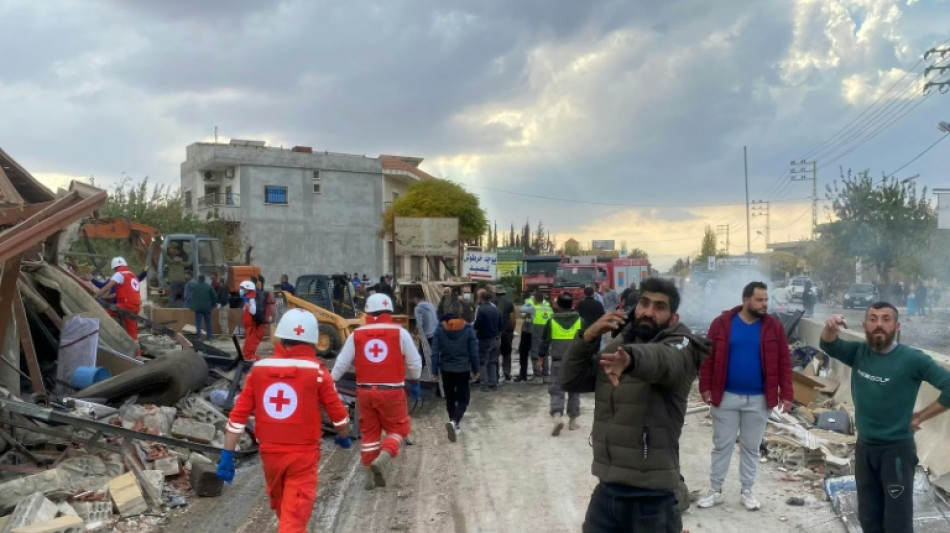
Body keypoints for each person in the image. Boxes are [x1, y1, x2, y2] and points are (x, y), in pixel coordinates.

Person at [560, 277, 710, 532]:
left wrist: (630, 360)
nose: (649, 312)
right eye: (644, 303)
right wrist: (587, 337)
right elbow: (570, 379)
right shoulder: (620, 345)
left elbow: (664, 362)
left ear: (673, 318)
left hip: (652, 501)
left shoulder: (683, 346)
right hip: (607, 492)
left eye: (659, 307)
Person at [217, 308, 350, 533]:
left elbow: (237, 417)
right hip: (303, 457)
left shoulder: (259, 369)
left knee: (283, 510)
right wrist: (344, 435)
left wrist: (227, 455)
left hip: (269, 456)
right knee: (294, 518)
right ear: (312, 339)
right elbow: (338, 414)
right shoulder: (317, 372)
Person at [821, 304, 950, 533]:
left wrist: (921, 415)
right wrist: (830, 327)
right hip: (865, 450)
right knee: (868, 517)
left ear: (897, 326)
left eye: (886, 319)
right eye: (873, 318)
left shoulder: (912, 359)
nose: (879, 324)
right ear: (865, 325)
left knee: (897, 522)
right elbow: (828, 344)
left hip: (896, 453)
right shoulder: (858, 353)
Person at [697, 281, 793, 511]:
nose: (764, 304)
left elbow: (783, 362)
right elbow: (707, 357)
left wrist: (786, 393)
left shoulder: (773, 327)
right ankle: (715, 491)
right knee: (722, 446)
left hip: (759, 399)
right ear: (746, 300)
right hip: (726, 396)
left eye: (766, 300)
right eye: (759, 300)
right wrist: (705, 386)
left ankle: (747, 491)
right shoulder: (722, 324)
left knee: (751, 447)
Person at [331, 293, 422, 490]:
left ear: (368, 312)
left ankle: (369, 474)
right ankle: (385, 455)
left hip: (364, 392)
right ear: (390, 311)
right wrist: (414, 379)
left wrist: (331, 383)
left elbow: (341, 363)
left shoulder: (357, 334)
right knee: (399, 429)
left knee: (369, 433)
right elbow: (415, 363)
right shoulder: (400, 333)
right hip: (392, 391)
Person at [430, 305, 479, 442]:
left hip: (446, 370)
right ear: (461, 314)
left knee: (450, 398)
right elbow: (474, 352)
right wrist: (476, 369)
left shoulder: (439, 329)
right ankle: (454, 422)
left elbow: (434, 352)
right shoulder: (468, 329)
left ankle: (454, 424)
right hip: (462, 369)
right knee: (464, 399)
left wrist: (434, 371)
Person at [539, 292, 582, 435]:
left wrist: (540, 359)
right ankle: (573, 421)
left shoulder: (551, 321)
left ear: (558, 305)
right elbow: (589, 340)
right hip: (575, 361)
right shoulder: (581, 321)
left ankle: (557, 417)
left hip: (558, 362)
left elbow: (544, 343)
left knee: (557, 389)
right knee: (574, 390)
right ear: (571, 305)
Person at [93, 257, 142, 343]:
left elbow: (107, 287)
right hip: (135, 307)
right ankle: (136, 354)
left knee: (102, 312)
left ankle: (107, 337)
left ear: (114, 268)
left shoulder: (119, 274)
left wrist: (95, 296)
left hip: (124, 306)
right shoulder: (132, 274)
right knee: (133, 335)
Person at [472, 289, 504, 389]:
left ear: (481, 298)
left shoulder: (481, 309)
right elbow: (501, 325)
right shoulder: (496, 309)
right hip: (496, 339)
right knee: (493, 361)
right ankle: (493, 382)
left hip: (484, 339)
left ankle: (484, 383)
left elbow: (477, 325)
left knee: (483, 362)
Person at [520, 289, 552, 381]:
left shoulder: (533, 308)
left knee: (535, 352)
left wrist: (528, 303)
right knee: (545, 352)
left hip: (536, 330)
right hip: (546, 330)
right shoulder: (548, 308)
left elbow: (522, 310)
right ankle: (546, 375)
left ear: (535, 300)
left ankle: (537, 375)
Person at [494, 286, 516, 381]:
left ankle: (495, 374)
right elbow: (512, 319)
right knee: (507, 353)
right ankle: (507, 373)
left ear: (496, 293)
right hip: (506, 332)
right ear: (504, 293)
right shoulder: (509, 303)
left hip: (494, 332)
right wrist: (511, 330)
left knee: (495, 354)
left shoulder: (491, 302)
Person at [240, 280, 265, 361]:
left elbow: (253, 311)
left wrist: (247, 304)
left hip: (252, 324)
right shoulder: (248, 297)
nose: (241, 290)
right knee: (249, 340)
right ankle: (247, 354)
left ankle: (249, 355)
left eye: (242, 288)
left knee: (251, 340)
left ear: (248, 289)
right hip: (249, 324)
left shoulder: (251, 298)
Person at [187, 275, 218, 341]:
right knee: (208, 322)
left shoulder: (195, 287)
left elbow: (190, 296)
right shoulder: (209, 287)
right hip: (207, 308)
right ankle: (210, 337)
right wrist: (214, 304)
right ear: (204, 280)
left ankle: (199, 337)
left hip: (198, 308)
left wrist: (190, 305)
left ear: (198, 279)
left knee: (198, 323)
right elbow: (214, 296)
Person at [211, 273, 231, 338]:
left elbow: (223, 298)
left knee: (222, 321)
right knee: (225, 320)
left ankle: (224, 335)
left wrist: (220, 304)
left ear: (220, 281)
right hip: (227, 305)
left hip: (223, 307)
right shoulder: (227, 287)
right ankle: (226, 334)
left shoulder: (222, 288)